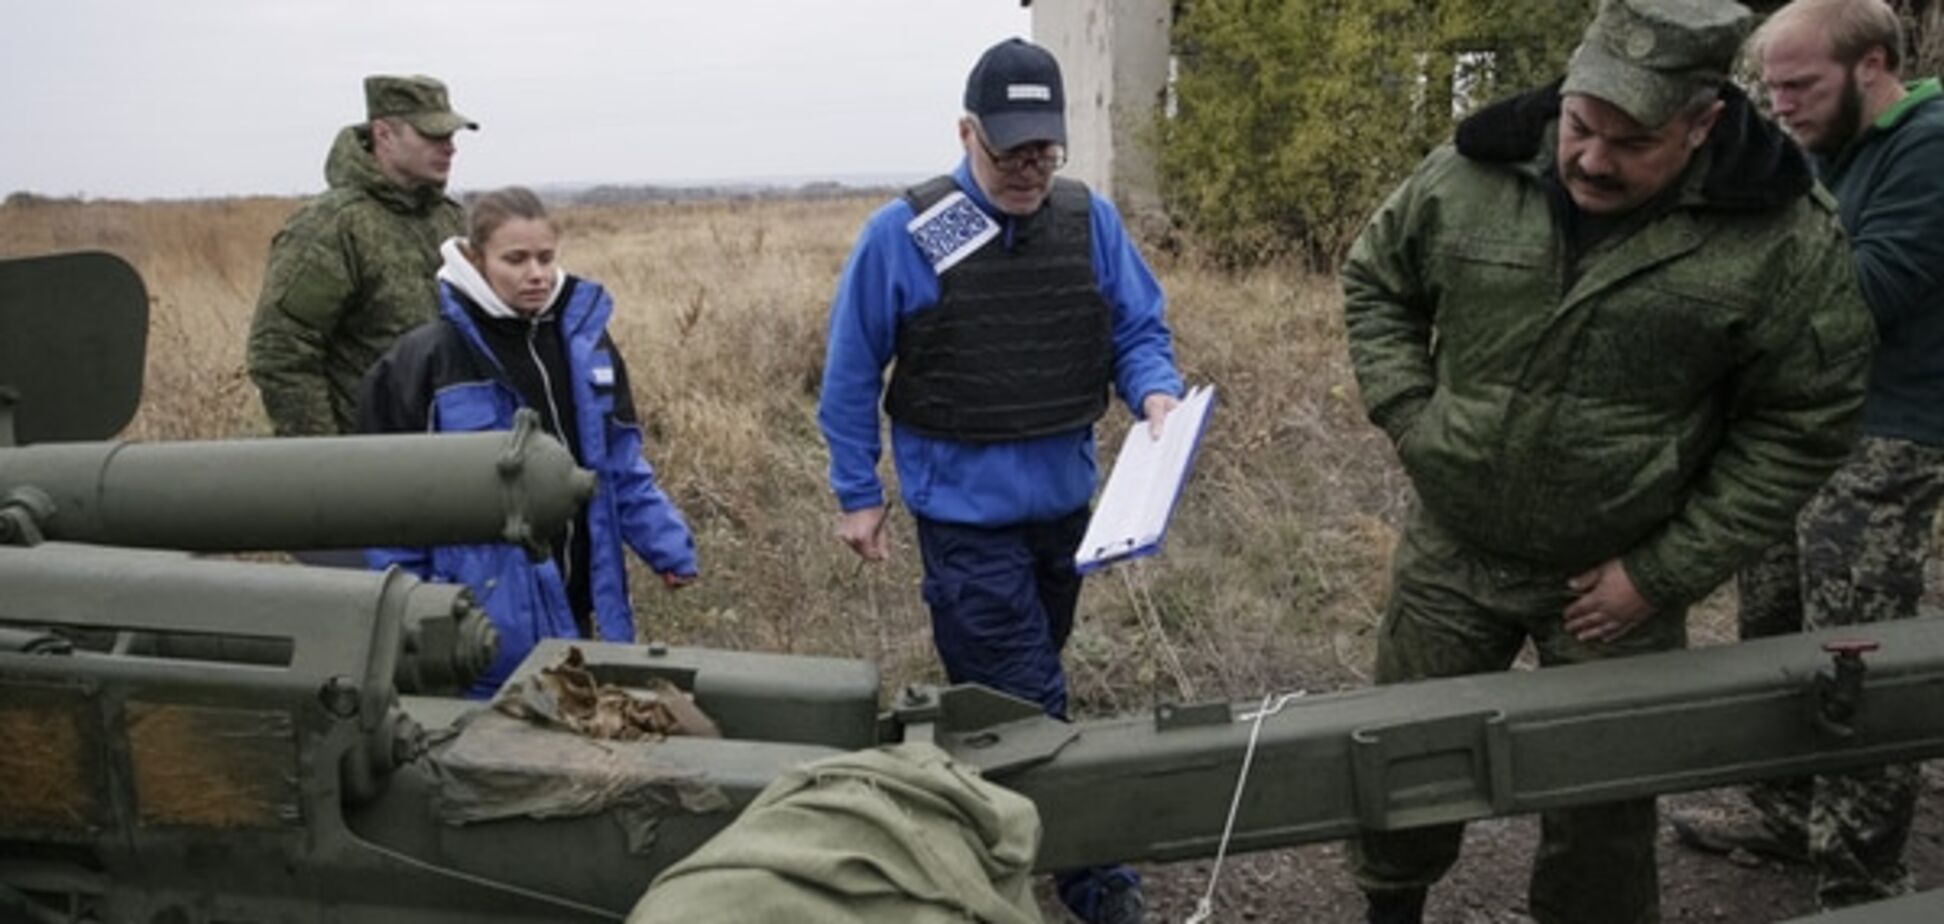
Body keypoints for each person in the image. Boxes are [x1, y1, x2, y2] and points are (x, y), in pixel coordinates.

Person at [1338, 0, 1875, 920]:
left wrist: (1662, 572)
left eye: (1632, 143)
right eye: (1580, 126)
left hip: (1615, 582)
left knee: (1604, 814)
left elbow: (1806, 418)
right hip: (1453, 552)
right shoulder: (1473, 172)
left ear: (1703, 124)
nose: (1590, 159)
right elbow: (1377, 279)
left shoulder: (1781, 235)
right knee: (1405, 765)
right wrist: (1412, 416)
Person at [816, 37, 1182, 924]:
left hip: (1067, 514)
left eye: (1044, 151)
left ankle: (967, 816)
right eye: (1009, 150)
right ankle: (1094, 881)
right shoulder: (904, 235)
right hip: (965, 524)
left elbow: (1137, 328)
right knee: (1032, 706)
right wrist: (858, 493)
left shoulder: (1086, 220)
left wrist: (1156, 393)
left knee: (1014, 695)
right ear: (966, 132)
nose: (1028, 169)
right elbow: (852, 372)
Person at [1668, 0, 1944, 909]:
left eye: (1800, 84)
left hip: (1888, 429)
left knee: (1855, 653)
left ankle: (1863, 879)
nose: (1780, 103)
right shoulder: (1821, 148)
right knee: (1773, 625)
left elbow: (1870, 294)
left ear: (1870, 65)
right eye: (1771, 85)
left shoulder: (1929, 143)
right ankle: (1786, 814)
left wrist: (1734, 306)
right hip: (1798, 421)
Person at [360, 187, 699, 696]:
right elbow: (389, 505)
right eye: (515, 259)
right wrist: (412, 610)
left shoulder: (587, 346)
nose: (536, 274)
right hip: (480, 618)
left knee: (580, 728)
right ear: (475, 259)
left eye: (545, 258)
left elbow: (620, 464)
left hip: (581, 593)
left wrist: (667, 547)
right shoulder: (424, 361)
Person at [248, 74, 476, 437]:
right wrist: (328, 461)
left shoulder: (449, 218)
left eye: (450, 136)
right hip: (370, 461)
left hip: (446, 448)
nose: (449, 148)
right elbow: (282, 353)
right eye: (433, 136)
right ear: (383, 134)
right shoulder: (333, 227)